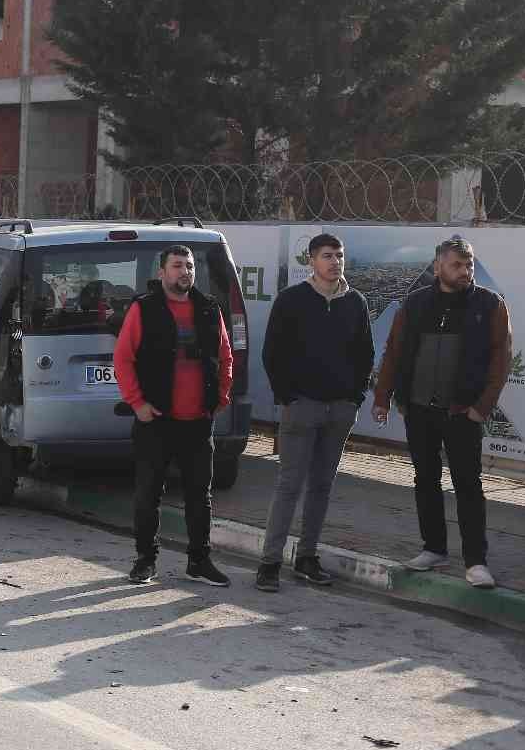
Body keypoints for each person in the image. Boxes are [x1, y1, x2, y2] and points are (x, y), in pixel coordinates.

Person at [372, 236, 512, 589]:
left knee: (468, 485)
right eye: (457, 265)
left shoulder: (489, 304)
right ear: (438, 267)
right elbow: (395, 351)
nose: (465, 271)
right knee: (425, 480)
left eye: (469, 265)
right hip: (419, 411)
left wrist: (481, 408)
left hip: (463, 414)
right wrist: (384, 397)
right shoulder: (416, 303)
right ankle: (433, 547)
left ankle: (476, 561)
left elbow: (501, 361)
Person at [254, 234, 375, 592]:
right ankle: (269, 563)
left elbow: (365, 354)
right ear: (312, 261)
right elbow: (272, 353)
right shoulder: (293, 300)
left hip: (339, 410)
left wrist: (354, 398)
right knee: (290, 485)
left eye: (340, 255)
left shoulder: (355, 301)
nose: (335, 261)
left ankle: (307, 557)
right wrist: (288, 397)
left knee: (322, 486)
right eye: (327, 256)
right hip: (301, 407)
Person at [114, 245, 235, 586]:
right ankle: (145, 560)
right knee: (148, 493)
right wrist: (137, 403)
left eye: (190, 266)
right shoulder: (144, 309)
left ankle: (199, 561)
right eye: (178, 265)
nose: (185, 272)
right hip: (157, 420)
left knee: (200, 495)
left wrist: (221, 396)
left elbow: (225, 356)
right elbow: (123, 359)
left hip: (198, 421)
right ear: (162, 272)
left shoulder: (209, 309)